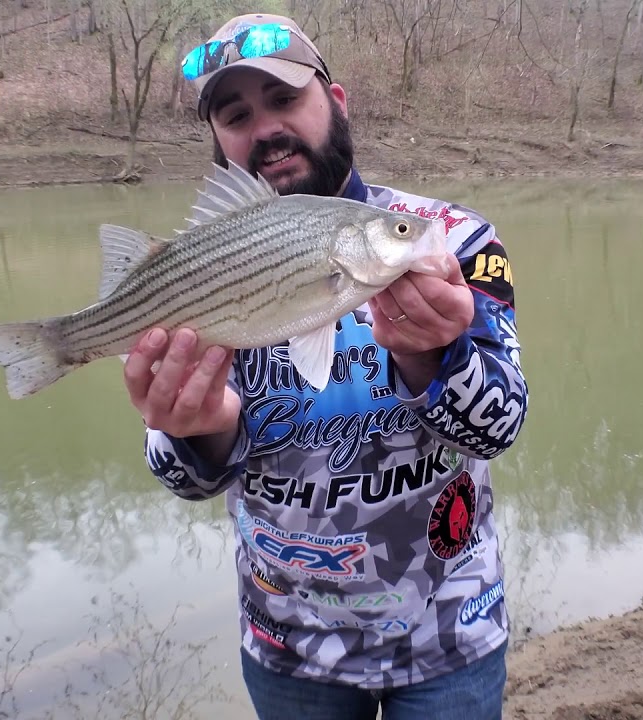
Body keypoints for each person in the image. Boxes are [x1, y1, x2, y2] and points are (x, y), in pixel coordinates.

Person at [121, 13, 529, 720]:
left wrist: (438, 357)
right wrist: (203, 432)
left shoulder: (449, 240)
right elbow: (177, 475)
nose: (266, 128)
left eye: (284, 100)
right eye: (236, 115)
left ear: (334, 102)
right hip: (288, 649)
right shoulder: (203, 265)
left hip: (449, 633)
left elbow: (500, 428)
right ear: (218, 140)